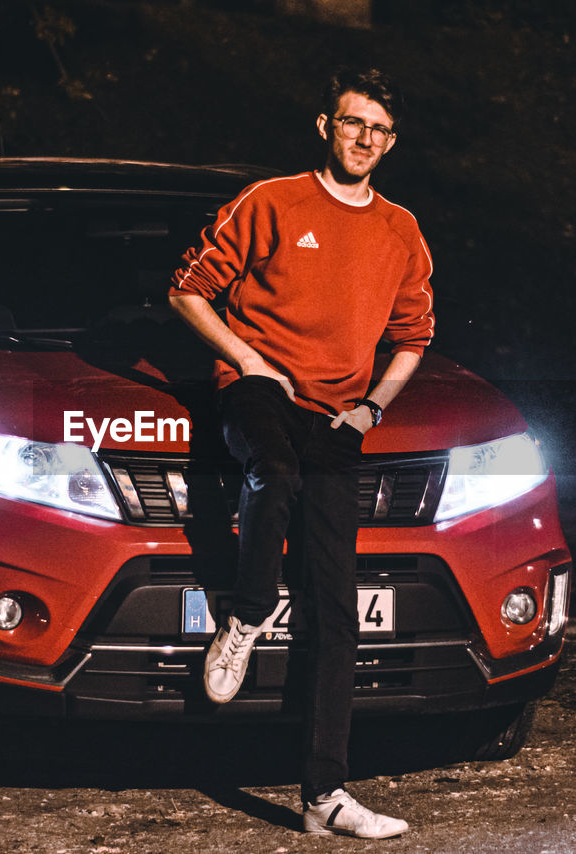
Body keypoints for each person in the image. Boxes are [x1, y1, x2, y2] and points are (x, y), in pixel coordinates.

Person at [168, 67, 434, 839]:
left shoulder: (400, 229)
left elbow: (415, 337)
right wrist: (244, 359)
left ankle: (324, 797)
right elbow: (188, 287)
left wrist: (373, 405)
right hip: (260, 387)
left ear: (391, 142)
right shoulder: (273, 200)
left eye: (379, 130)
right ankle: (247, 618)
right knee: (274, 472)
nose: (365, 140)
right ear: (326, 125)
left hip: (338, 417)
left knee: (336, 605)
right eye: (354, 123)